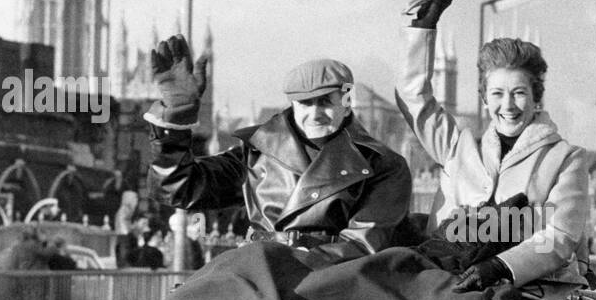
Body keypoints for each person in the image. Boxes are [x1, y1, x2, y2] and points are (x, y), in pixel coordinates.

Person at [395, 0, 590, 293]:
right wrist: (422, 29)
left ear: (536, 96)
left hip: (529, 292)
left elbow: (560, 237)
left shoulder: (567, 159)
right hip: (448, 285)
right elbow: (413, 99)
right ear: (484, 99)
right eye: (498, 94)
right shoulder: (457, 146)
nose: (508, 106)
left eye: (519, 93)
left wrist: (500, 267)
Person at [146, 35, 411, 266]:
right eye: (305, 103)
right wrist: (175, 123)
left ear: (346, 101)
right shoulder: (257, 152)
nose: (315, 114)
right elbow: (178, 188)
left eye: (325, 102)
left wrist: (290, 262)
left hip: (333, 286)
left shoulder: (383, 165)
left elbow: (363, 246)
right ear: (292, 104)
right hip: (258, 274)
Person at [0, 226, 49, 300]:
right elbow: (45, 253)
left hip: (23, 278)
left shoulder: (18, 246)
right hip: (35, 278)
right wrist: (45, 240)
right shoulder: (33, 245)